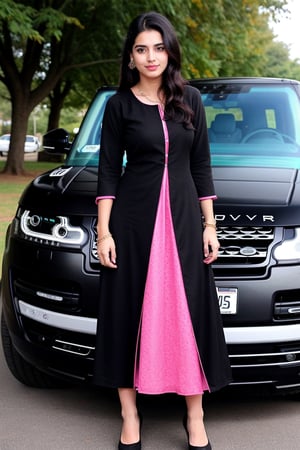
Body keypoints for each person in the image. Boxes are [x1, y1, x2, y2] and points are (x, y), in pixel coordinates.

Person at [94, 11, 231, 450]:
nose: (150, 57)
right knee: (127, 312)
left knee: (188, 313)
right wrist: (104, 232)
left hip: (185, 224)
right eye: (140, 49)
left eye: (158, 47)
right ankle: (129, 415)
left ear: (169, 50)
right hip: (133, 222)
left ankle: (195, 418)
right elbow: (108, 173)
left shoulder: (190, 99)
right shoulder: (119, 105)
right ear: (130, 57)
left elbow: (201, 165)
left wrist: (211, 225)